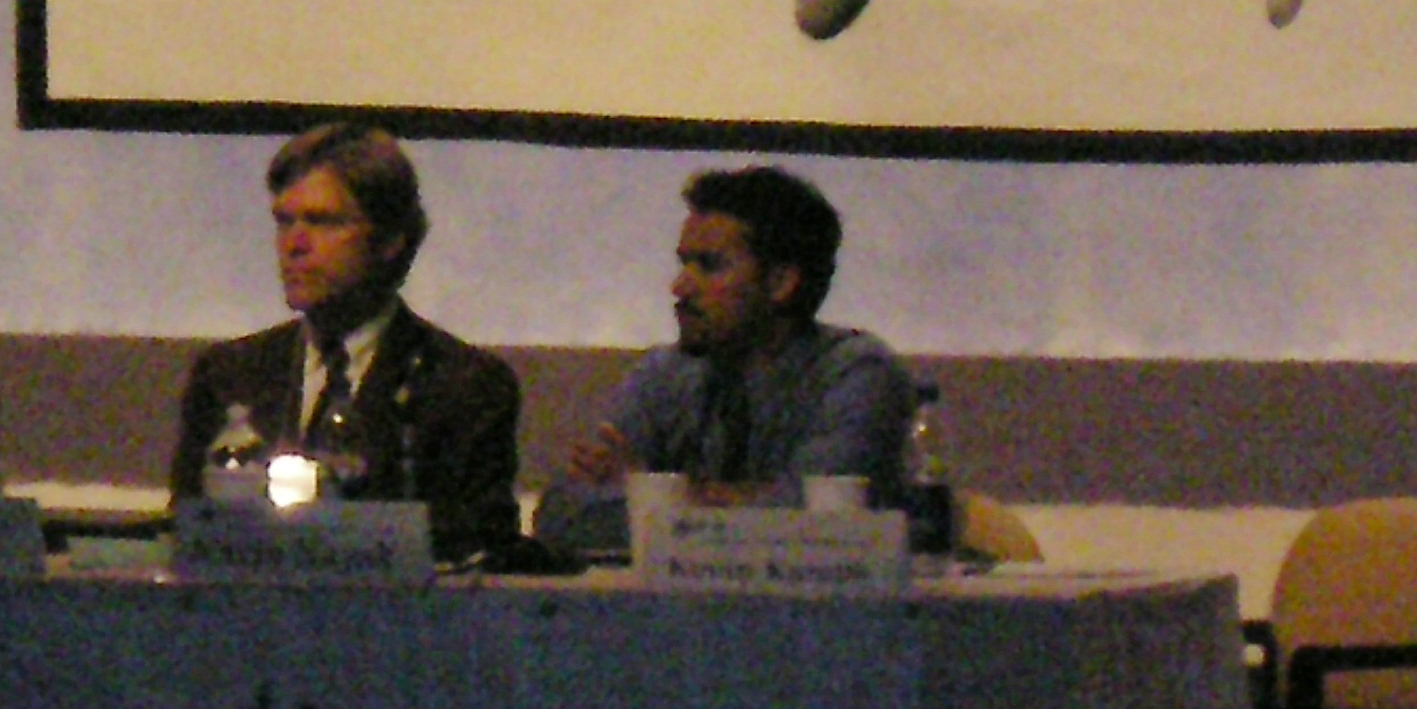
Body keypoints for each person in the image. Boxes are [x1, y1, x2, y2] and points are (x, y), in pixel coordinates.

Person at [168, 122, 522, 561]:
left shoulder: (464, 386)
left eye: (322, 222)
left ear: (390, 240)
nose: (295, 245)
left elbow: (479, 552)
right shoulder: (229, 375)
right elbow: (187, 532)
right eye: (284, 222)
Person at [535, 164, 916, 556]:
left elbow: (815, 527)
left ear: (780, 283)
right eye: (683, 263)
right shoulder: (664, 373)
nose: (680, 287)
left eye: (710, 265)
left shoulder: (856, 376)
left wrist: (658, 496)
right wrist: (713, 506)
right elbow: (562, 516)